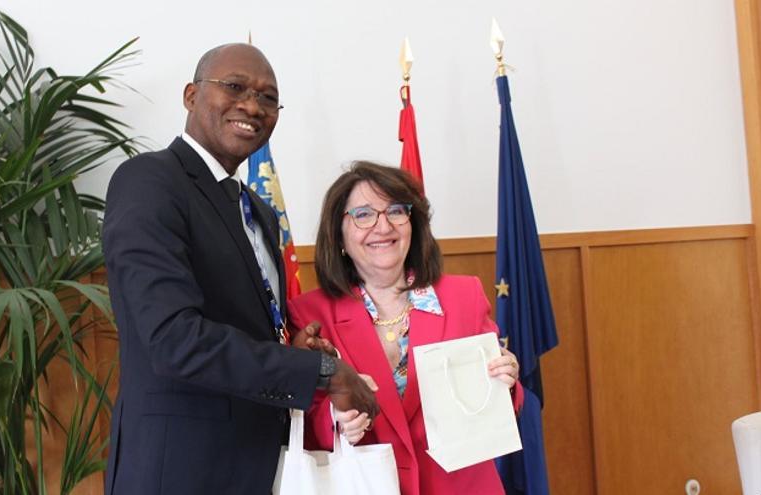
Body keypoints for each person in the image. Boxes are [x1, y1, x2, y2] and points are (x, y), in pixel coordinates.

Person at [101, 44, 377, 495]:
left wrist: (292, 346)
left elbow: (242, 323)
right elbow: (173, 339)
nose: (252, 105)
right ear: (191, 95)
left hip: (260, 463)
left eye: (269, 98)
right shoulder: (149, 181)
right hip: (179, 472)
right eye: (234, 87)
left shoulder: (257, 212)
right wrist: (323, 373)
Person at [287, 161, 525, 495]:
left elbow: (501, 405)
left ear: (412, 225)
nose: (382, 226)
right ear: (339, 234)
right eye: (364, 215)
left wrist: (507, 381)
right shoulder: (310, 314)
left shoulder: (463, 295)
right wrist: (335, 420)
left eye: (396, 211)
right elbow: (303, 419)